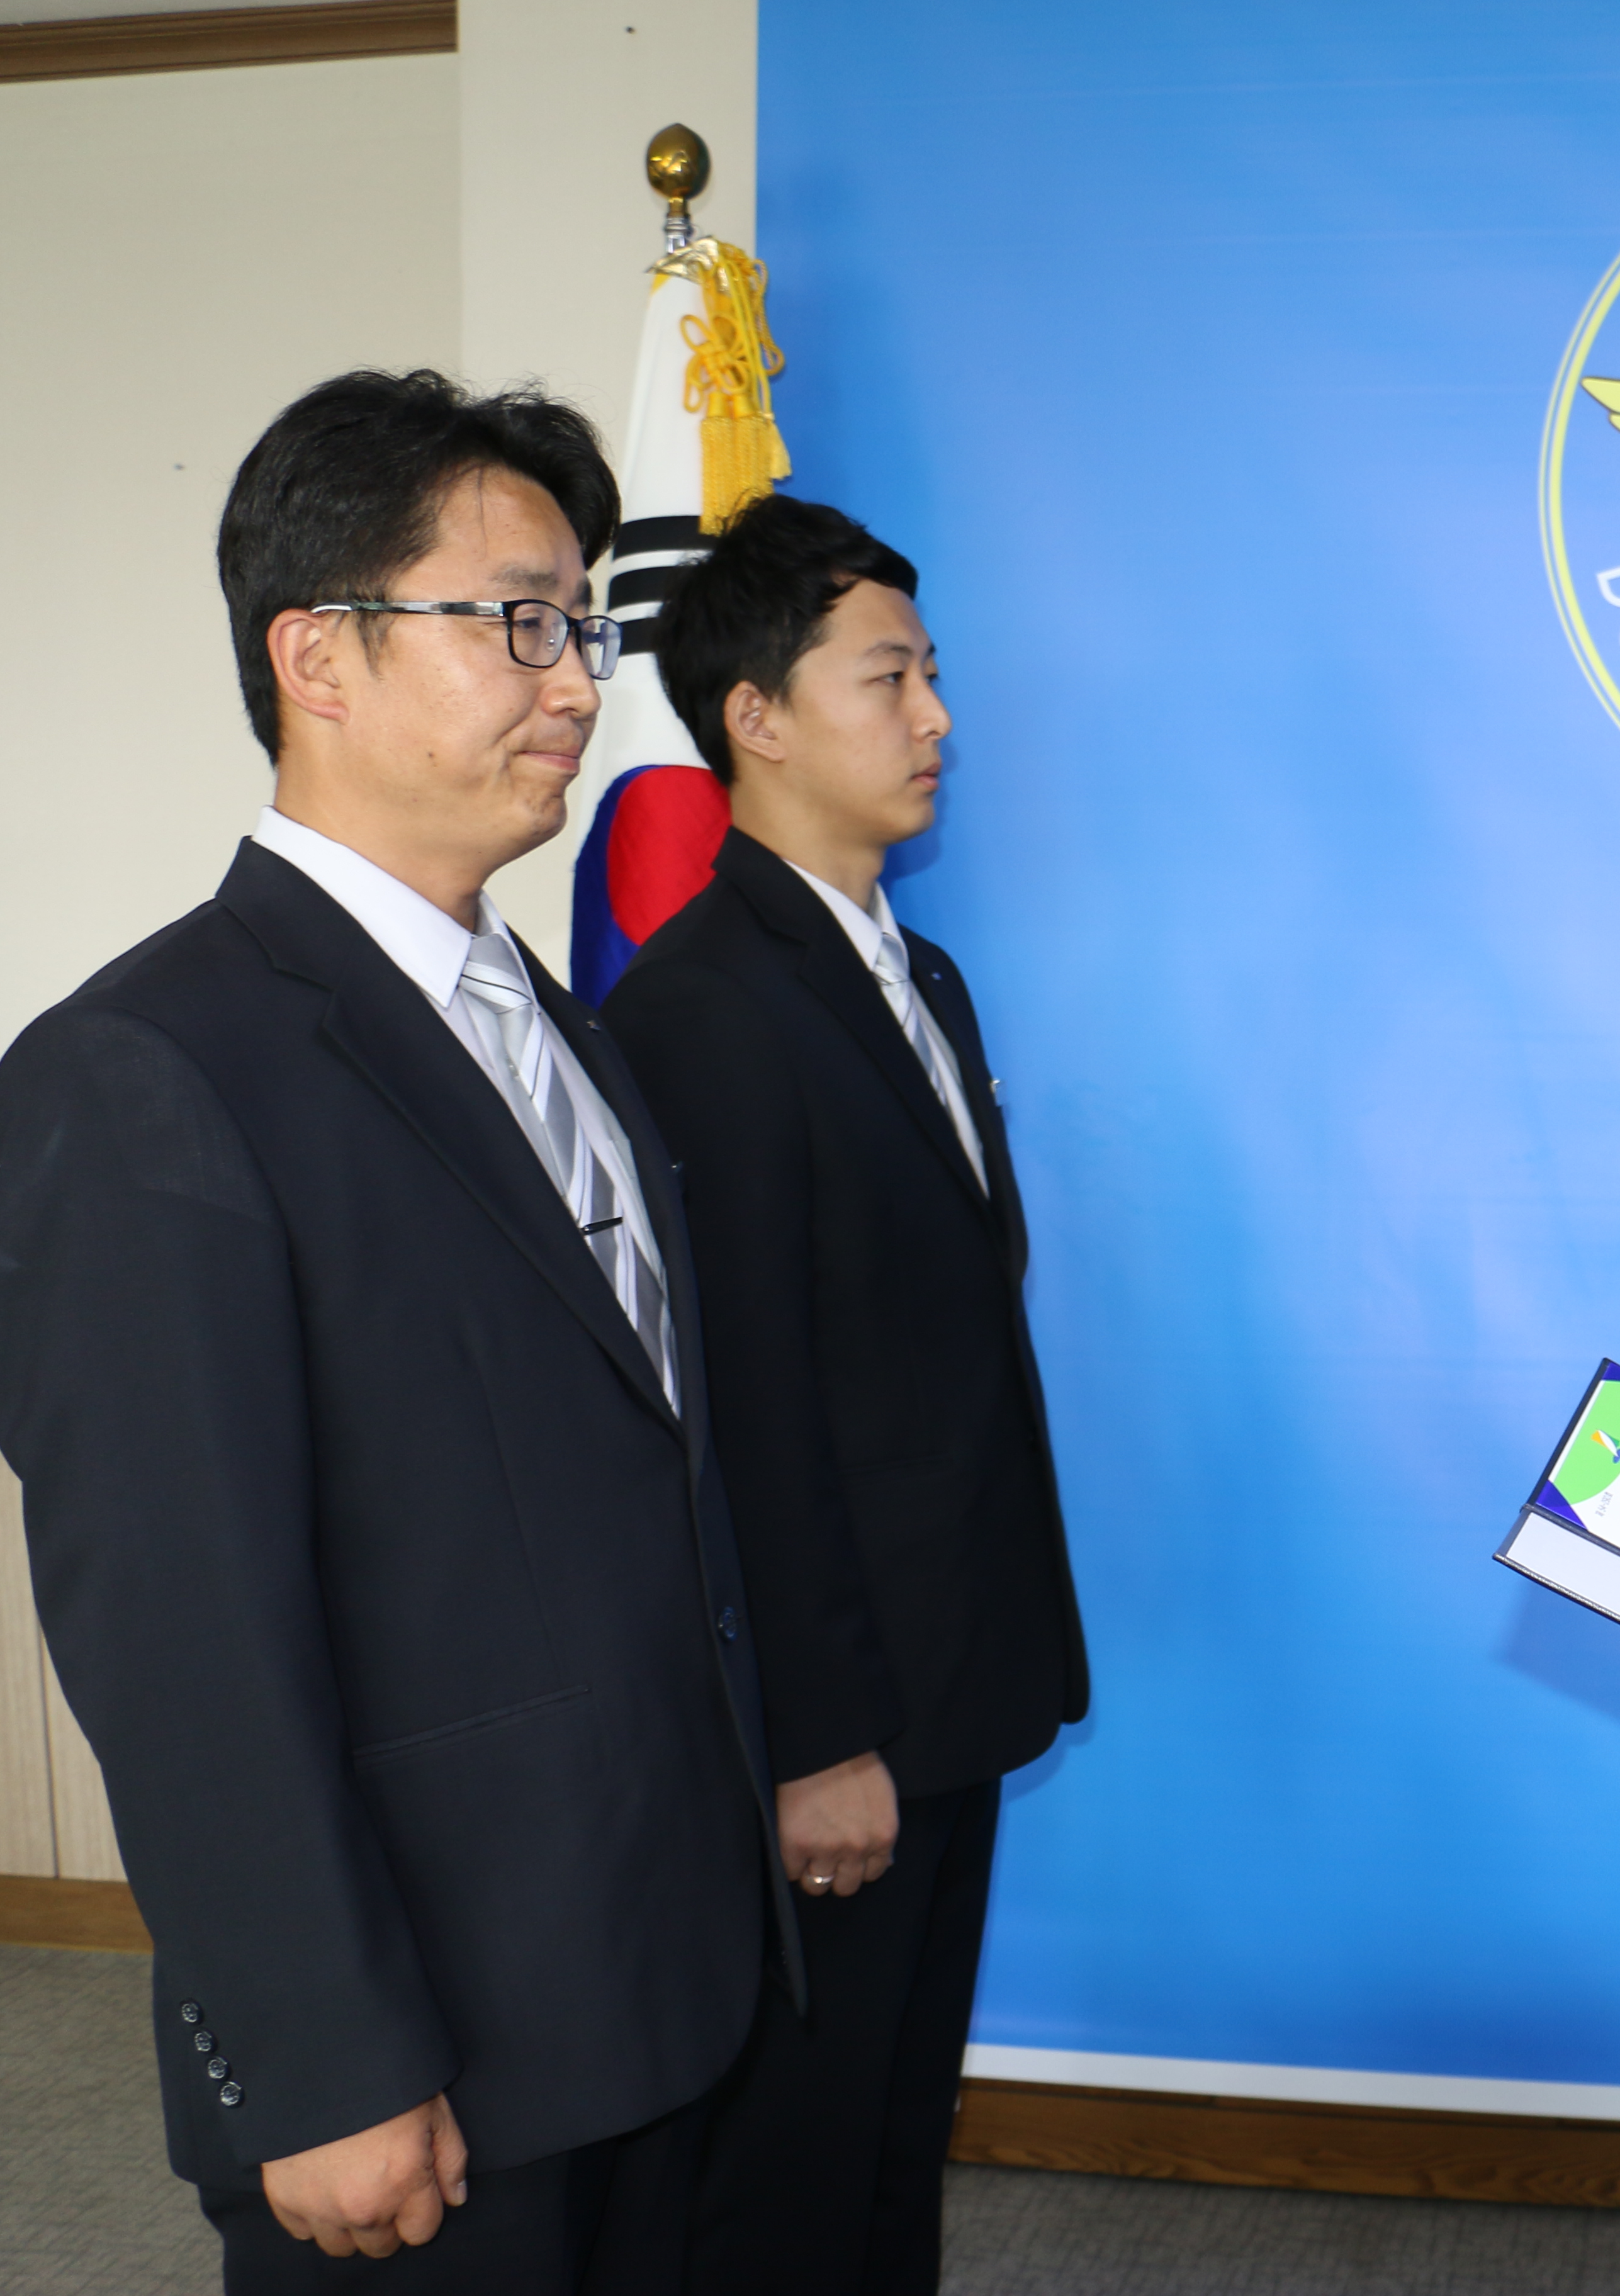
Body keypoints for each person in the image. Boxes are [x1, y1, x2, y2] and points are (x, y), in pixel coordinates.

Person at [0, 371, 791, 2292]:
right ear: (317, 655)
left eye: (581, 625)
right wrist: (322, 2061)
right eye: (518, 620)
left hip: (663, 1974)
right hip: (429, 2044)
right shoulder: (148, 1068)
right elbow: (178, 1637)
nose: (577, 682)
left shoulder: (561, 1029)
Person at [597, 494, 1089, 2293]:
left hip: (948, 1677)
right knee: (794, 2181)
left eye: (932, 673)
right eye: (889, 678)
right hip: (843, 1723)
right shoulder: (703, 1010)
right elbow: (745, 1409)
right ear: (757, 717)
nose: (936, 715)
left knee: (893, 2141)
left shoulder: (915, 974)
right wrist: (815, 1742)